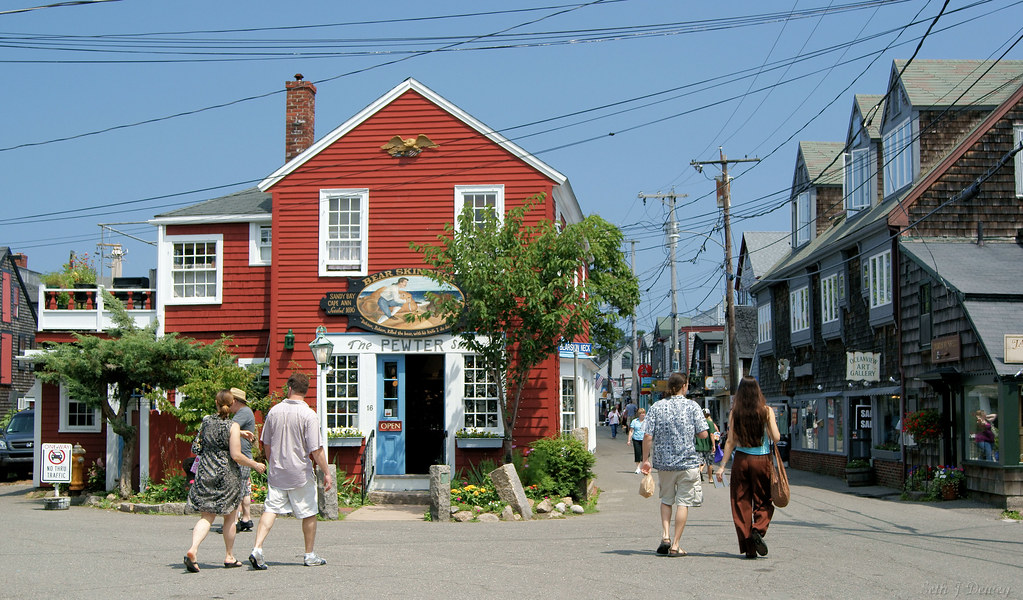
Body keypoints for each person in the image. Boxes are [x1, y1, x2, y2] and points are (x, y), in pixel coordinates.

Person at [249, 372, 333, 569]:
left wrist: (272, 462)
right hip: (300, 472)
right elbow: (316, 449)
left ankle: (257, 548)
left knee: (271, 509)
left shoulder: (274, 411)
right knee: (309, 512)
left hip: (278, 470)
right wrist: (326, 472)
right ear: (306, 391)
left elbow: (266, 443)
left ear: (289, 388)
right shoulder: (309, 415)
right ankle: (309, 554)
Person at [184, 390, 267, 573]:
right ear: (231, 405)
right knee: (230, 516)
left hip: (206, 471)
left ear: (216, 402)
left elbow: (196, 446)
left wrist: (240, 432)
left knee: (206, 516)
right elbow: (236, 455)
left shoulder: (206, 421)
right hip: (226, 474)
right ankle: (229, 556)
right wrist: (254, 464)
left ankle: (193, 549)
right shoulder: (232, 426)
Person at [640, 373, 709, 557]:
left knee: (666, 499)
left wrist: (645, 459)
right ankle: (676, 545)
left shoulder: (657, 407)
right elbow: (703, 434)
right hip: (688, 462)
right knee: (683, 503)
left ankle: (665, 536)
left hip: (664, 464)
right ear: (684, 386)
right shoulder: (693, 406)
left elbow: (648, 435)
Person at [715, 376, 781, 559]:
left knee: (740, 502)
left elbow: (730, 441)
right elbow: (776, 438)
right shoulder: (766, 411)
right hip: (761, 460)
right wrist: (768, 427)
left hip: (741, 460)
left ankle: (749, 548)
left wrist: (721, 467)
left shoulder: (735, 412)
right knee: (764, 499)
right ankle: (758, 529)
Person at [229, 387, 257, 532]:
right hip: (245, 454)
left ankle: (234, 522)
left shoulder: (243, 413)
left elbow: (229, 428)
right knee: (245, 489)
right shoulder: (246, 412)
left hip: (241, 456)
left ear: (234, 401)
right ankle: (247, 518)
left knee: (237, 489)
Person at [694, 408, 719, 482]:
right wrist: (714, 445)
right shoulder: (710, 422)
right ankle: (710, 478)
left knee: (699, 462)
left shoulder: (698, 422)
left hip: (699, 445)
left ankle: (699, 475)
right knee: (709, 462)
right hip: (708, 446)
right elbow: (712, 434)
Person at [626, 408, 647, 474]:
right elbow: (631, 431)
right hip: (636, 439)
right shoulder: (634, 421)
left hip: (644, 439)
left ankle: (644, 467)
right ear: (639, 414)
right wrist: (629, 440)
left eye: (643, 413)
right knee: (637, 453)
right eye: (641, 413)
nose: (643, 415)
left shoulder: (647, 421)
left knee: (645, 454)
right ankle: (638, 468)